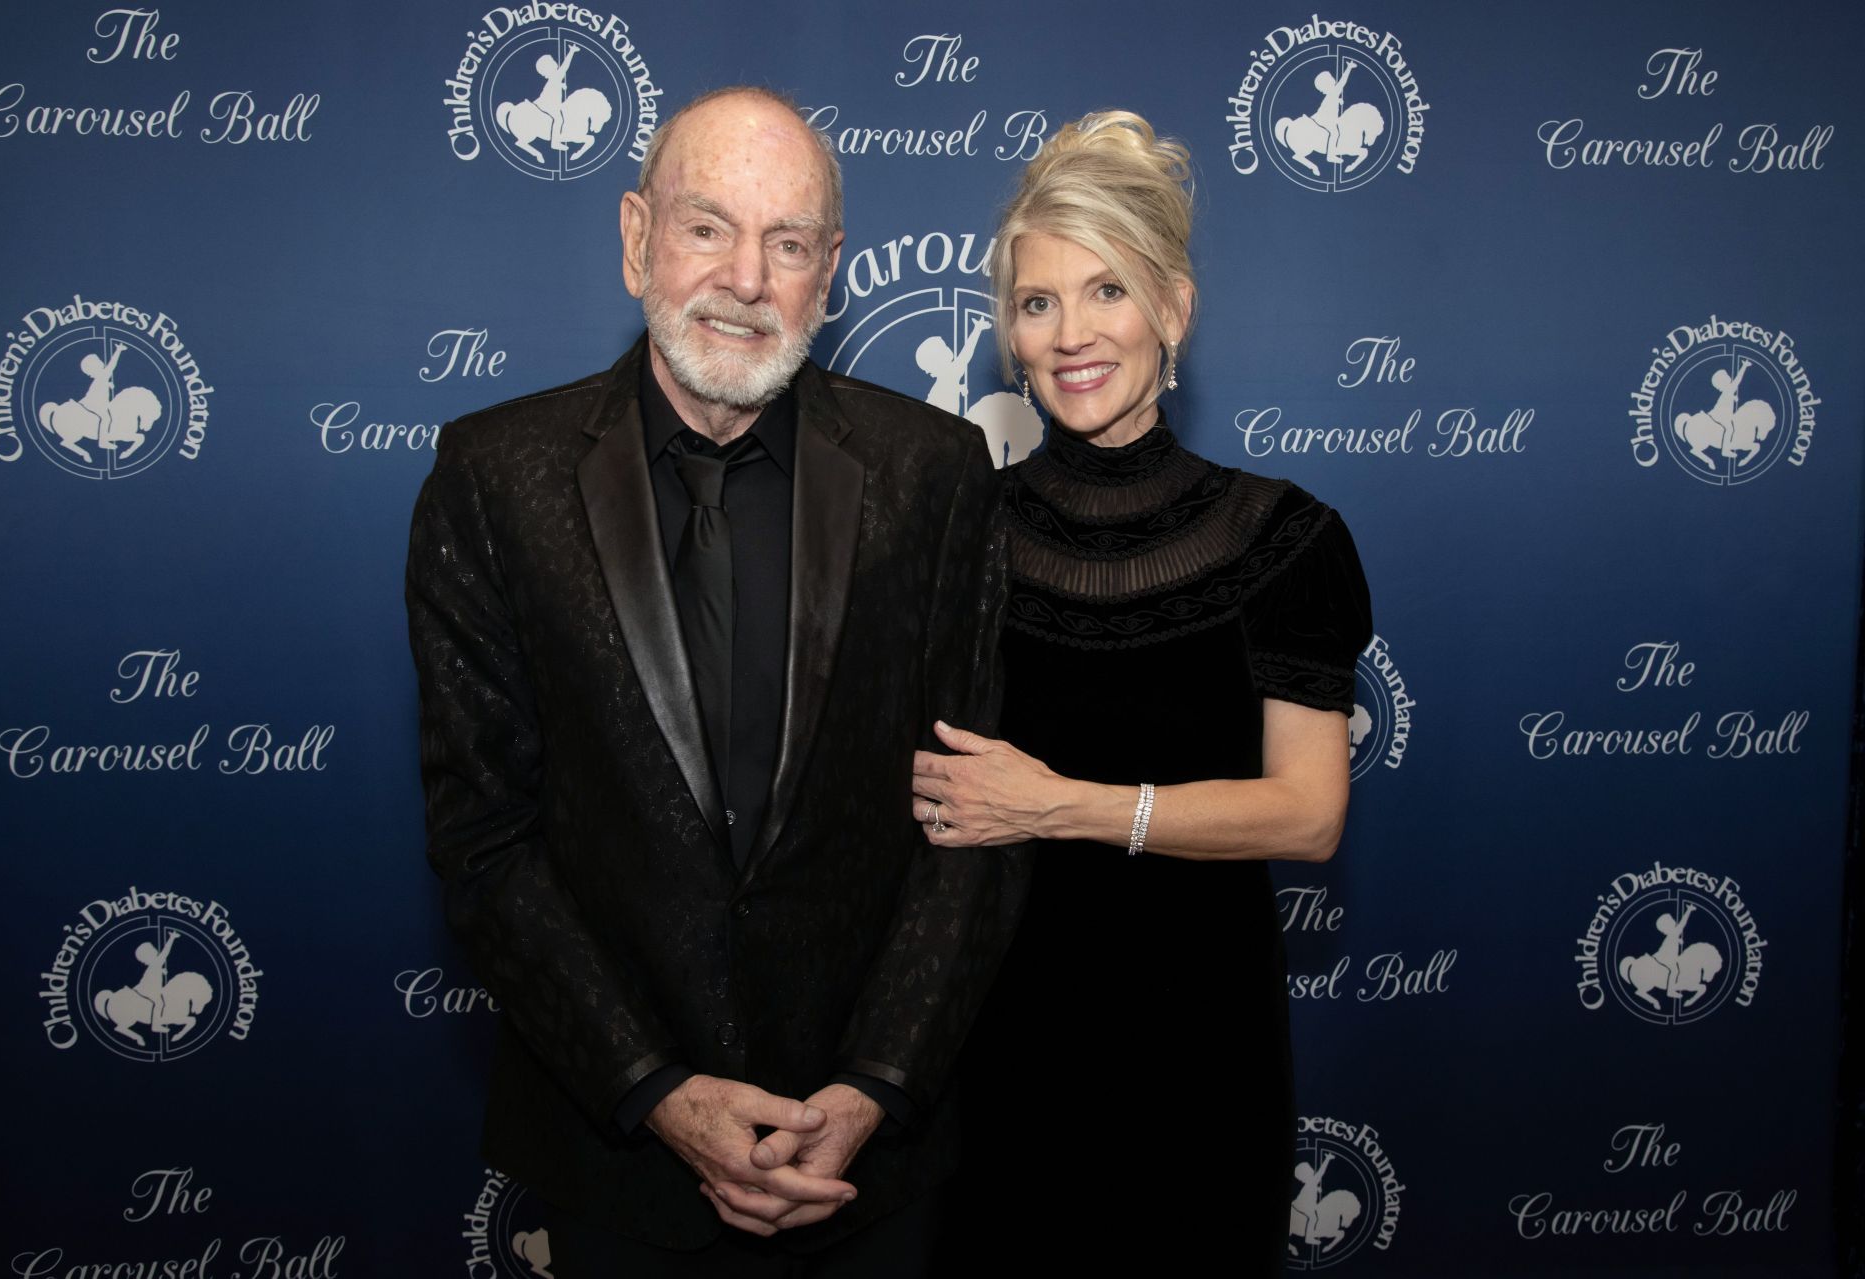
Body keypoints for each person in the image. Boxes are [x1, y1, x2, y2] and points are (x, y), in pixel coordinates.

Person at [406, 86, 1027, 1275]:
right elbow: (485, 841)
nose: (746, 279)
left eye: (787, 244)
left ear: (829, 272)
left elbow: (975, 820)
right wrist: (659, 1091)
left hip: (870, 1167)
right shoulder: (491, 479)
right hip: (623, 1161)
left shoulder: (936, 474)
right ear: (637, 235)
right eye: (708, 228)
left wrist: (875, 1083)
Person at [910, 111, 1372, 1269]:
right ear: (1010, 337)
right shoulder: (956, 537)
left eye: (1106, 290)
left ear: (1174, 308)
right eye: (1038, 302)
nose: (1072, 333)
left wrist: (1062, 803)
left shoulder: (1285, 538)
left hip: (1199, 1054)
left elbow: (1309, 813)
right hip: (994, 1056)